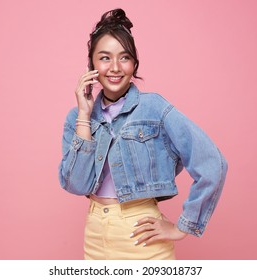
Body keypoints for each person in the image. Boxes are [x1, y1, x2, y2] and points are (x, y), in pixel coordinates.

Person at [58, 8, 228, 260]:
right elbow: (76, 185)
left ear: (134, 63)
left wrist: (183, 226)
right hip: (94, 237)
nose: (115, 67)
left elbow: (213, 163)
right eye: (104, 58)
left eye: (124, 57)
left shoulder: (154, 108)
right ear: (91, 64)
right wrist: (84, 115)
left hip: (141, 236)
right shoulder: (77, 117)